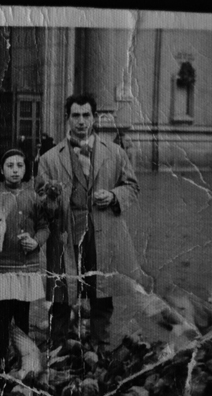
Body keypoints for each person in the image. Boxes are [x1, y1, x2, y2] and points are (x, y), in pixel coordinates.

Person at [36, 94, 141, 352]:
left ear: (94, 117)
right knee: (61, 292)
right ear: (67, 118)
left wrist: (114, 195)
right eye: (76, 116)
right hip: (65, 233)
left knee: (101, 291)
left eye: (86, 115)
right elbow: (39, 200)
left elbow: (132, 186)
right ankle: (57, 346)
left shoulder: (114, 153)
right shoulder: (50, 158)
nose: (81, 121)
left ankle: (100, 346)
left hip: (102, 231)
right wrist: (50, 198)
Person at [0, 149, 50, 364]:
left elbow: (44, 227)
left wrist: (36, 241)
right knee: (4, 312)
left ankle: (22, 355)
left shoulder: (33, 197)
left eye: (19, 166)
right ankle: (2, 352)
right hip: (3, 264)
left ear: (26, 169)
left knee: (22, 313)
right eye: (9, 166)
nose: (15, 170)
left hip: (26, 264)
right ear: (1, 170)